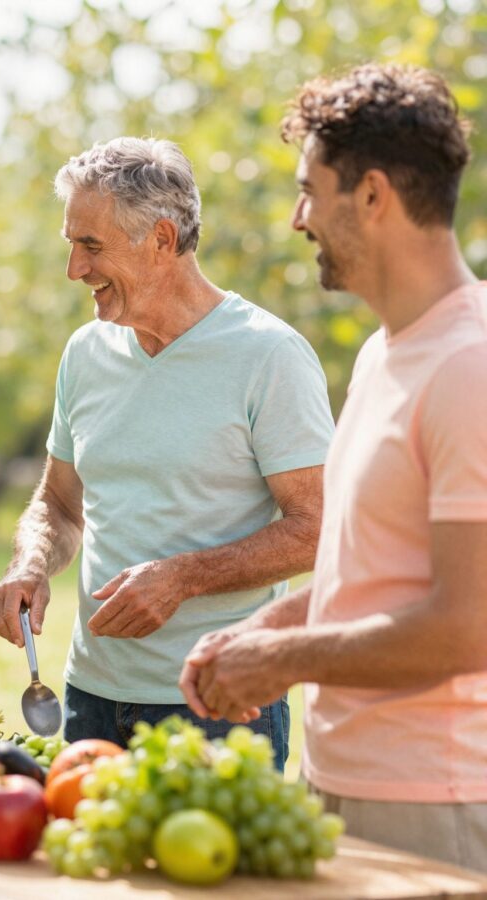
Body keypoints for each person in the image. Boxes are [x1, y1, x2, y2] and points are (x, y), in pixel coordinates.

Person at [180, 63, 487, 872]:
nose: (296, 218)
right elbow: (377, 571)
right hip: (342, 779)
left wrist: (282, 662)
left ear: (375, 196)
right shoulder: (388, 355)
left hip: (439, 801)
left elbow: (466, 625)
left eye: (309, 191)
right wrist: (268, 627)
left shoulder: (469, 368)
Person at [0, 138, 333, 768]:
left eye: (91, 246)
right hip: (89, 697)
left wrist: (183, 578)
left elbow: (318, 529)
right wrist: (29, 563)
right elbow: (60, 503)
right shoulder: (85, 353)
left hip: (217, 704)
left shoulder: (269, 357)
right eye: (72, 243)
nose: (73, 269)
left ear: (163, 240)